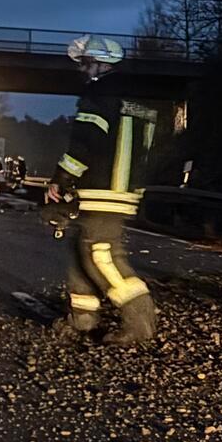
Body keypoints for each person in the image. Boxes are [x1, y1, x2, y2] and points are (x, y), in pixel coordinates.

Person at [44, 35, 159, 345]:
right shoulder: (140, 99)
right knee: (80, 253)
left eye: (85, 63)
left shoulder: (99, 93)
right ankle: (83, 320)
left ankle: (140, 322)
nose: (83, 70)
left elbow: (85, 142)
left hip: (103, 189)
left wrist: (61, 178)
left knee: (100, 254)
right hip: (123, 189)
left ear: (97, 63)